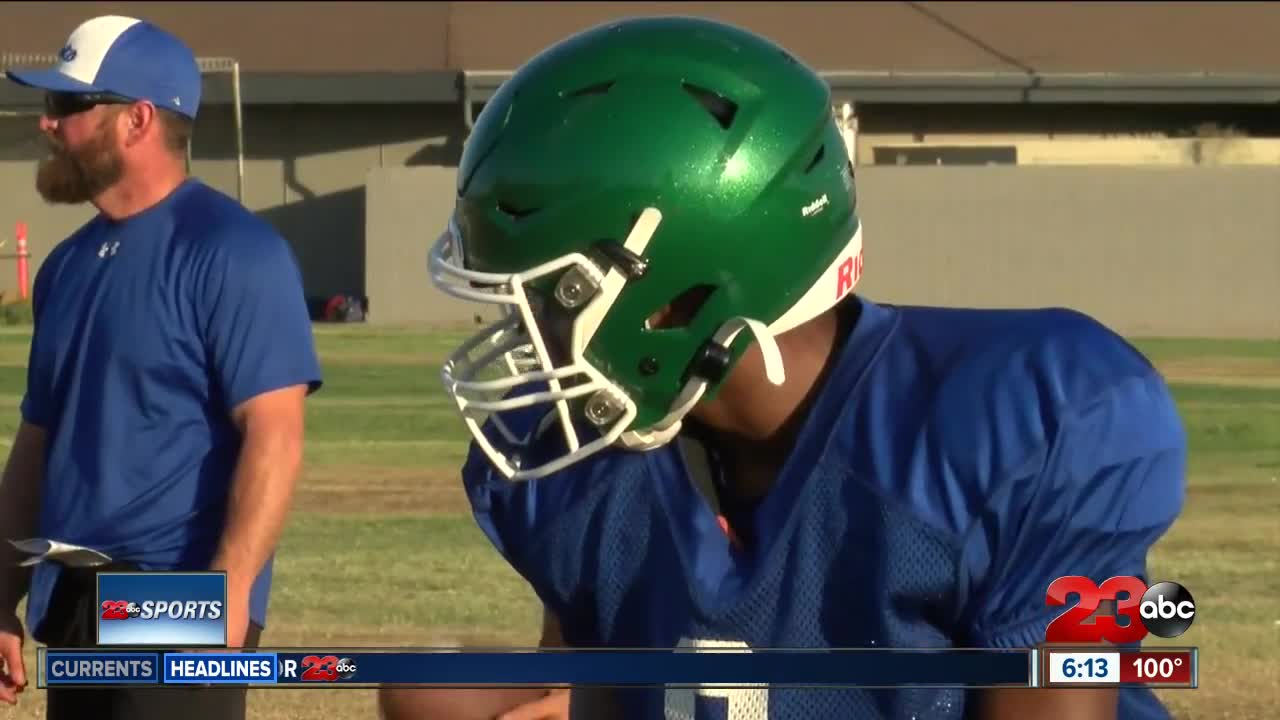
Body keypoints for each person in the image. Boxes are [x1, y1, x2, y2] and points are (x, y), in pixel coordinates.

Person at [386, 16, 1187, 720]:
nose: (526, 338)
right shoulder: (581, 465)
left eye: (549, 299)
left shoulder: (1026, 426)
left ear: (675, 298)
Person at [0, 14, 323, 720]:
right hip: (75, 594)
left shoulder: (235, 252)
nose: (47, 125)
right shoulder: (65, 267)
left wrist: (230, 593)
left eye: (66, 106)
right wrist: (1, 596)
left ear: (136, 120)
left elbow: (276, 434)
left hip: (177, 592)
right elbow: (38, 442)